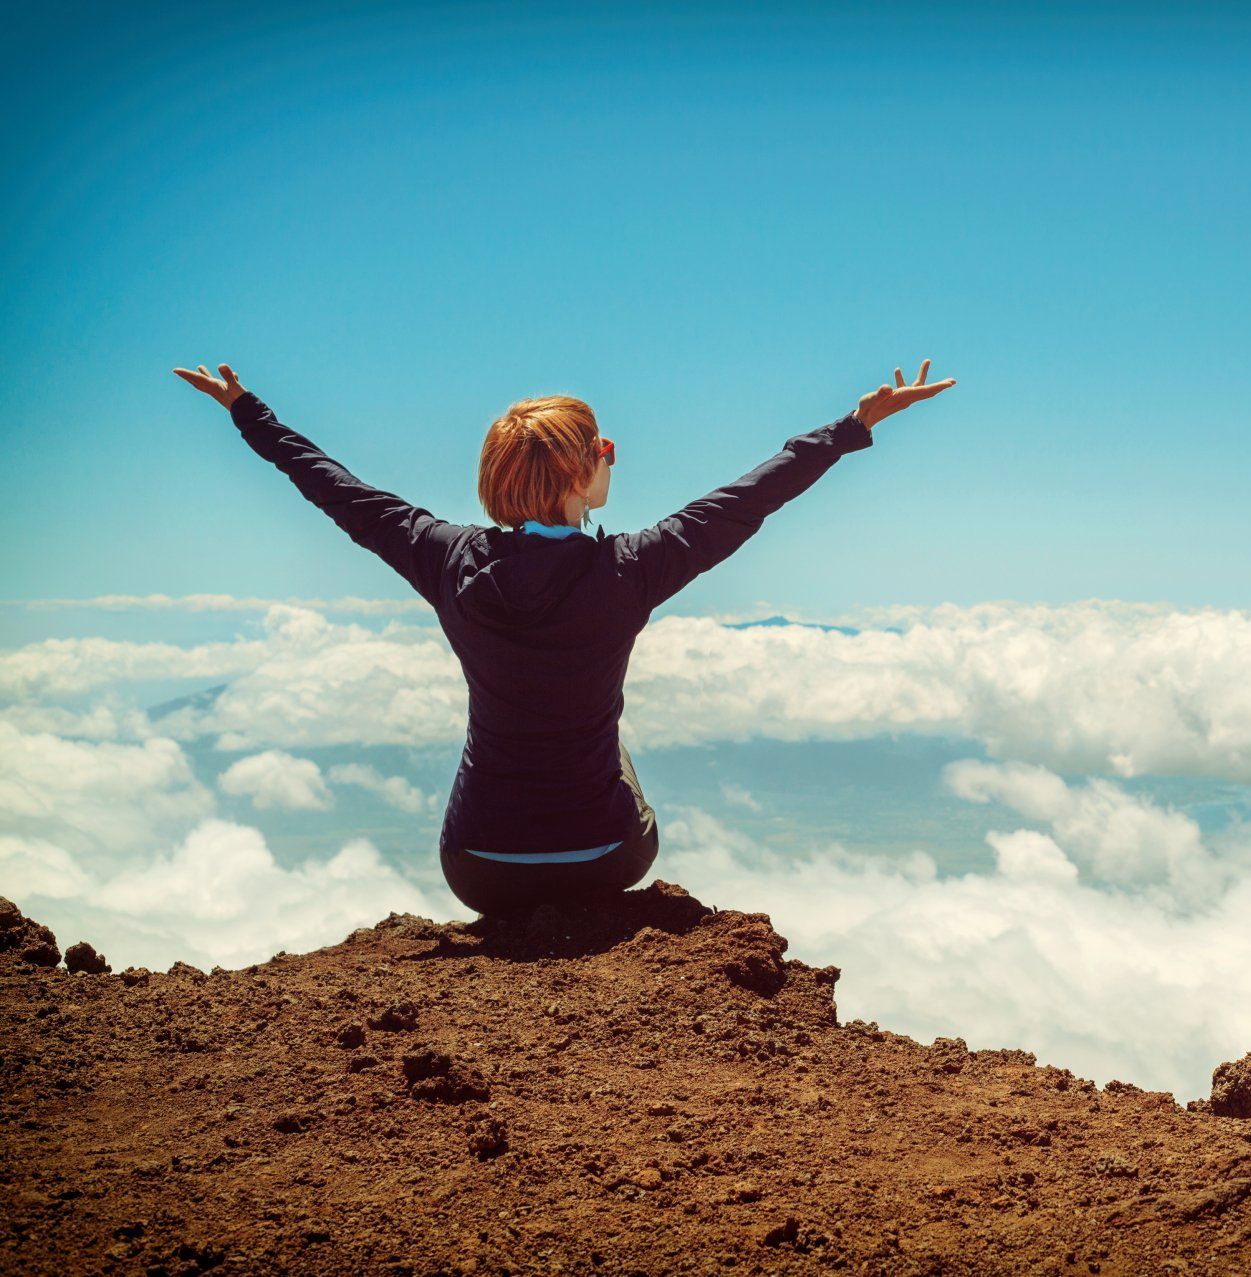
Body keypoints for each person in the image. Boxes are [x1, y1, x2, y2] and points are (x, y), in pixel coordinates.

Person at [173, 359, 956, 918]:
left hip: (478, 870)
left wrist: (248, 410)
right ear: (582, 473)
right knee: (605, 737)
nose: (610, 458)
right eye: (603, 450)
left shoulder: (441, 556)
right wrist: (853, 425)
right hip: (606, 861)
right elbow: (750, 497)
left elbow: (331, 484)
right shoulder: (635, 568)